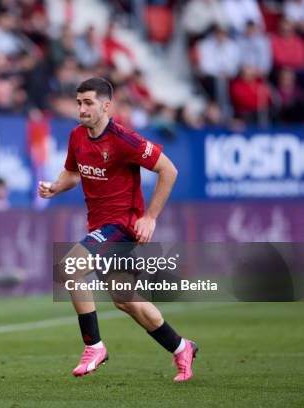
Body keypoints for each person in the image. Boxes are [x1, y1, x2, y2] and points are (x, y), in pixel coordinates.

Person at [38, 77, 197, 382]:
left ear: (106, 105)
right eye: (79, 102)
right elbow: (73, 172)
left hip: (121, 225)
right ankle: (181, 347)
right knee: (126, 300)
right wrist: (56, 187)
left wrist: (150, 217)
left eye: (88, 103)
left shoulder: (124, 139)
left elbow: (169, 170)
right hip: (100, 226)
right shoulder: (77, 136)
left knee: (70, 267)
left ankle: (93, 346)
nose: (82, 109)